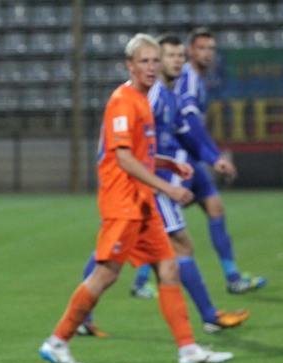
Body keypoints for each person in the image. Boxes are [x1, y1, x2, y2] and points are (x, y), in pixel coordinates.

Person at [38, 34, 233, 363]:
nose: (151, 67)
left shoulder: (143, 100)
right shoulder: (123, 101)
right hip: (123, 203)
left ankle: (188, 349)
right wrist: (168, 188)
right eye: (144, 61)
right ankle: (57, 341)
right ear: (130, 65)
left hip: (142, 203)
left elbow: (140, 155)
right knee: (106, 275)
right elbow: (124, 159)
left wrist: (167, 163)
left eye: (155, 61)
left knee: (168, 267)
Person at [76, 34, 249, 337]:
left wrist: (210, 158)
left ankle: (80, 320)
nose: (176, 61)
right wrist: (160, 180)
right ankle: (207, 318)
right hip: (140, 187)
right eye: (168, 56)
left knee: (113, 255)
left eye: (179, 56)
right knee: (166, 249)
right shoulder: (148, 95)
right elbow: (128, 146)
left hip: (149, 183)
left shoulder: (169, 96)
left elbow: (183, 134)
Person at [175, 27, 266, 294]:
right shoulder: (190, 78)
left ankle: (232, 277)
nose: (207, 53)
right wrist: (214, 157)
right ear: (190, 50)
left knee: (214, 208)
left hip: (191, 157)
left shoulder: (197, 79)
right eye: (201, 48)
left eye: (211, 49)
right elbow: (190, 122)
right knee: (156, 223)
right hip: (179, 160)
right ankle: (140, 280)